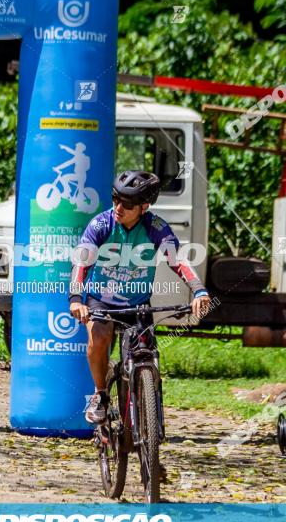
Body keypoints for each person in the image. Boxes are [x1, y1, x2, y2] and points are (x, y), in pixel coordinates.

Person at [68, 170, 211, 423]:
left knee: (147, 354)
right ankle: (100, 394)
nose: (118, 207)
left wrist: (199, 289)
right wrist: (76, 298)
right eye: (115, 199)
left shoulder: (155, 227)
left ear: (144, 207)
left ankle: (151, 416)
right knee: (99, 337)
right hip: (100, 299)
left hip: (137, 302)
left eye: (128, 204)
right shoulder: (101, 224)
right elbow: (81, 263)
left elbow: (178, 260)